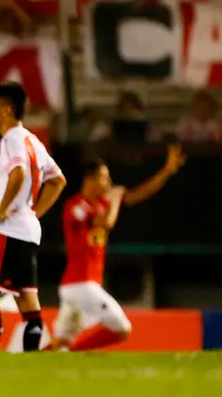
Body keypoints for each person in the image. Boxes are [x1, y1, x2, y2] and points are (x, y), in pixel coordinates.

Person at [52, 148, 185, 351]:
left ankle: (26, 363)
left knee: (59, 343)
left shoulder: (100, 203)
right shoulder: (76, 205)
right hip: (82, 285)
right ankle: (73, 354)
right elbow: (106, 223)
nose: (109, 183)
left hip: (75, 287)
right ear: (90, 179)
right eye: (105, 178)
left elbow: (137, 195)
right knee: (121, 329)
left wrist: (166, 171)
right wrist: (114, 200)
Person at [0, 82, 67, 352]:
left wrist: (1, 212)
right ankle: (30, 362)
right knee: (28, 300)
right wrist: (34, 213)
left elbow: (18, 174)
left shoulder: (11, 139)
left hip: (9, 229)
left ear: (6, 110)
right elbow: (58, 180)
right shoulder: (33, 140)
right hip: (28, 230)